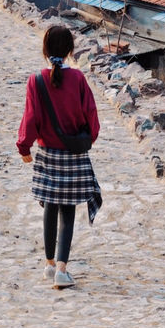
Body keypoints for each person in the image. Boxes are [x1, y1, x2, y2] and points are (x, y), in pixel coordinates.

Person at [17, 25, 102, 290]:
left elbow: (30, 119)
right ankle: (63, 270)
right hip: (73, 155)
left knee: (49, 207)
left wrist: (24, 147)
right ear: (69, 51)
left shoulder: (36, 80)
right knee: (67, 211)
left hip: (47, 155)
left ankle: (49, 264)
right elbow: (91, 117)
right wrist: (86, 140)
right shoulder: (77, 79)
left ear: (45, 50)